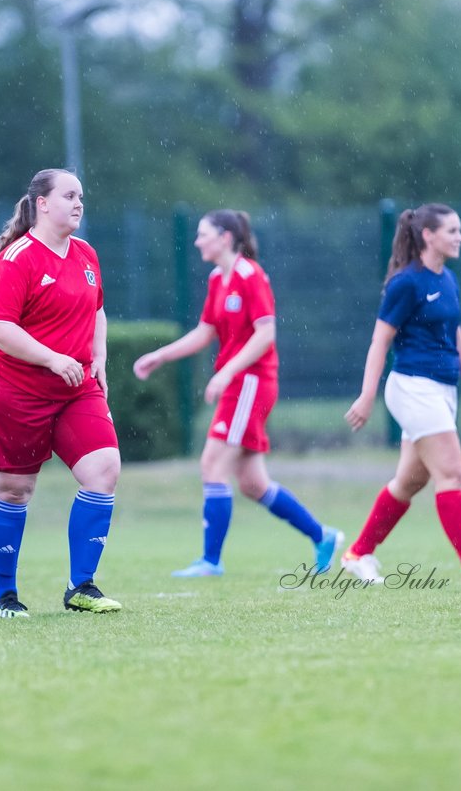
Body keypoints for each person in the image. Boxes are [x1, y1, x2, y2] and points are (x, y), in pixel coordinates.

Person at [133, 209, 343, 578]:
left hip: (250, 383)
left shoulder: (250, 275)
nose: (197, 241)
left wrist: (227, 372)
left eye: (203, 234)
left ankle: (211, 562)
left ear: (225, 238)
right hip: (238, 383)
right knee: (251, 482)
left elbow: (266, 334)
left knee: (212, 465)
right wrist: (160, 356)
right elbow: (204, 332)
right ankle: (322, 535)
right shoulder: (218, 278)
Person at [342, 203, 461, 583]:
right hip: (412, 389)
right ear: (428, 235)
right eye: (452, 231)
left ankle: (358, 553)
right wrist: (367, 395)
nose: (460, 237)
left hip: (442, 390)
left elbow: (455, 337)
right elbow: (379, 341)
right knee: (450, 471)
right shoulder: (406, 283)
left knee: (409, 482)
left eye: (459, 230)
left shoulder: (447, 280)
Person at [0, 168, 122, 619]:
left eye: (82, 196)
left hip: (77, 388)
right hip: (15, 389)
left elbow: (97, 310)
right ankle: (5, 596)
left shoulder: (85, 254)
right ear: (41, 202)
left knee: (104, 470)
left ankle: (82, 586)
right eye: (69, 196)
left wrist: (97, 355)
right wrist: (52, 358)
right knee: (15, 490)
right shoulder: (18, 257)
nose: (78, 204)